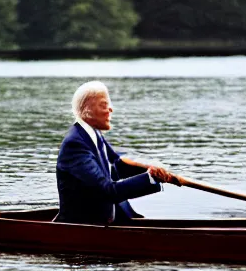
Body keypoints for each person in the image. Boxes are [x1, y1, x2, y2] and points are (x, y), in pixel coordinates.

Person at [54, 81, 175, 225]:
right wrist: (149, 178)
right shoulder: (75, 145)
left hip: (110, 219)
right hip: (85, 227)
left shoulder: (93, 134)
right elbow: (107, 191)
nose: (110, 109)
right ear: (87, 110)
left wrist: (153, 170)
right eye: (104, 105)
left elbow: (117, 165)